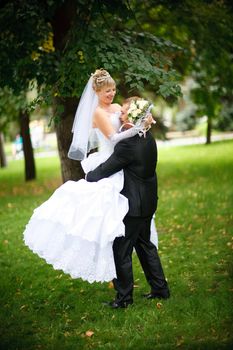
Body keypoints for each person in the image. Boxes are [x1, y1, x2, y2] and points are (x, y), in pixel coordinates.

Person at [23, 69, 158, 283]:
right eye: (106, 91)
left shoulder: (117, 108)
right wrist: (135, 130)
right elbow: (114, 138)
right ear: (96, 91)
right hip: (113, 159)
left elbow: (131, 119)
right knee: (110, 222)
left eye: (113, 89)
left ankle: (131, 289)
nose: (111, 94)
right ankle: (123, 279)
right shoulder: (97, 113)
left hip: (126, 162)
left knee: (134, 233)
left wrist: (144, 120)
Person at [86, 96, 170, 309]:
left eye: (123, 112)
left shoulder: (127, 145)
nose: (119, 115)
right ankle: (160, 289)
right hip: (148, 202)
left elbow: (106, 170)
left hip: (133, 207)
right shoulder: (148, 137)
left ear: (133, 116)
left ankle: (123, 299)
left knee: (121, 250)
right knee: (145, 245)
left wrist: (88, 176)